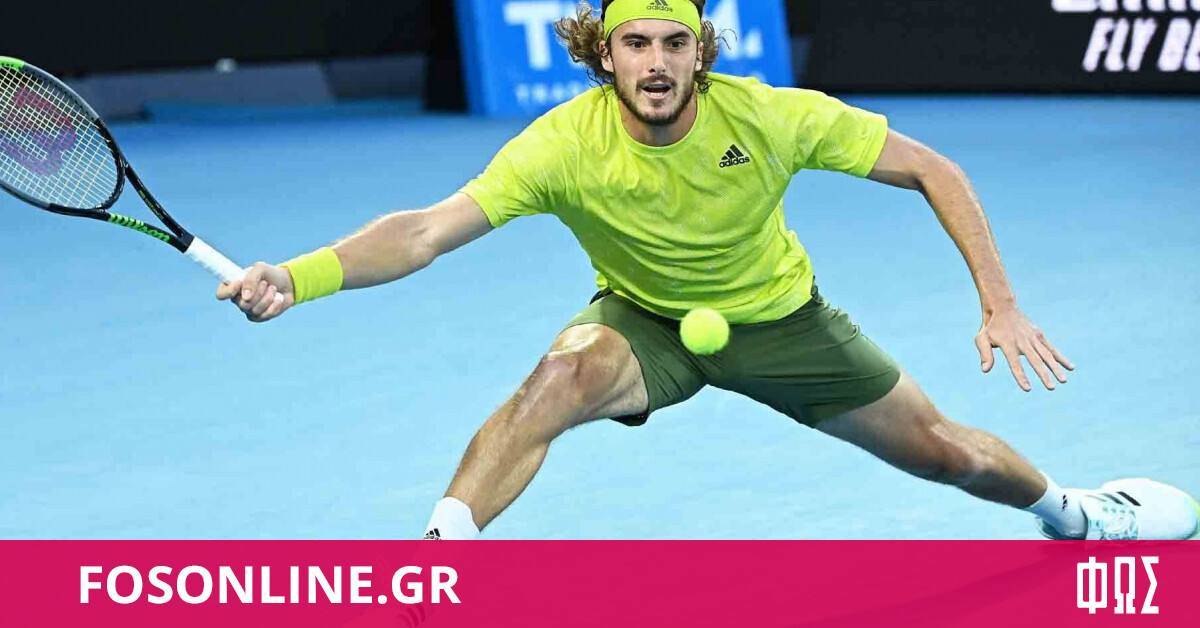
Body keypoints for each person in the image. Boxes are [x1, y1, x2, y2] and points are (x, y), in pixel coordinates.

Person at [216, 0, 1199, 541]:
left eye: (674, 42)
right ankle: (441, 558)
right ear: (605, 54)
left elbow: (931, 168)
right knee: (556, 380)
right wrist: (296, 277)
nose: (655, 61)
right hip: (644, 323)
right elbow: (426, 231)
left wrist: (1001, 303)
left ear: (701, 53)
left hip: (784, 323)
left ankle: (1075, 513)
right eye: (635, 43)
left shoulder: (768, 115)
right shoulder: (561, 144)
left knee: (949, 454)